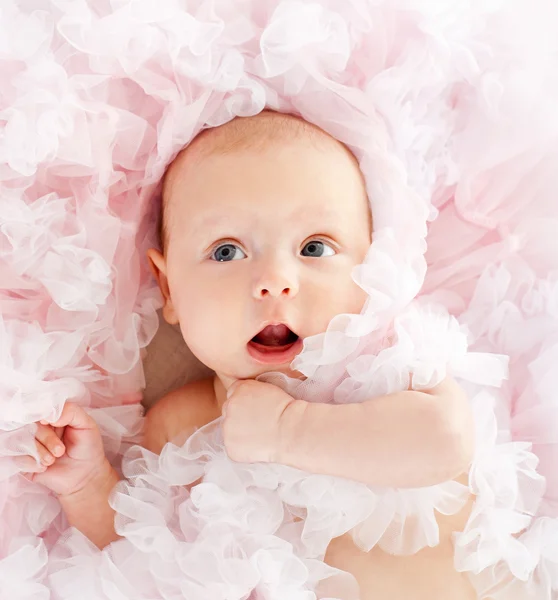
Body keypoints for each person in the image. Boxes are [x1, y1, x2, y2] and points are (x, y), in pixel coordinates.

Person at [23, 110, 476, 599]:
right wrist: (88, 485)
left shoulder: (386, 365)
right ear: (169, 288)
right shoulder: (183, 425)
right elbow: (143, 552)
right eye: (226, 252)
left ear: (371, 265)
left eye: (315, 247)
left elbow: (447, 442)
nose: (274, 280)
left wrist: (289, 430)